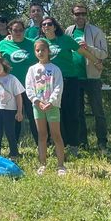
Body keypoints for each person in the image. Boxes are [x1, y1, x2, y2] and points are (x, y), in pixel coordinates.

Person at [39, 16, 98, 157]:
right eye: (43, 24)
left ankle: (73, 145)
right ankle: (60, 145)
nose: (46, 26)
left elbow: (82, 51)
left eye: (49, 24)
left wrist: (96, 62)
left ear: (55, 26)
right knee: (55, 114)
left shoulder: (65, 39)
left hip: (69, 80)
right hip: (50, 82)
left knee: (71, 113)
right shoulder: (41, 43)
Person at [65, 3, 109, 153]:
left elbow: (104, 54)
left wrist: (88, 47)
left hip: (92, 77)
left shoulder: (96, 31)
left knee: (98, 112)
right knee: (78, 113)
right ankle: (83, 143)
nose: (80, 16)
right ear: (73, 15)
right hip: (74, 78)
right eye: (77, 14)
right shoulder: (68, 31)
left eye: (83, 13)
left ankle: (102, 143)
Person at [26, 39, 66, 175]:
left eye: (43, 50)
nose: (40, 52)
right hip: (38, 106)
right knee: (42, 135)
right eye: (37, 50)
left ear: (48, 51)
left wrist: (51, 101)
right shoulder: (32, 69)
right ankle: (42, 164)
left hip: (52, 106)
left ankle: (61, 165)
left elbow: (58, 87)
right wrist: (37, 101)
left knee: (56, 134)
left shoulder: (55, 69)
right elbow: (29, 88)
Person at [0, 19, 38, 144]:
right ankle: (14, 147)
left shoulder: (33, 44)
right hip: (11, 87)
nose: (18, 32)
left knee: (33, 116)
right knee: (14, 117)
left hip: (31, 86)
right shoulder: (2, 45)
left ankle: (42, 144)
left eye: (21, 30)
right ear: (10, 31)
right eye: (15, 30)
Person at [0, 51, 24, 158]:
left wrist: (19, 111)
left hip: (9, 110)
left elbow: (18, 96)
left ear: (3, 64)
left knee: (10, 132)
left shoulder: (12, 78)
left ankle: (14, 153)